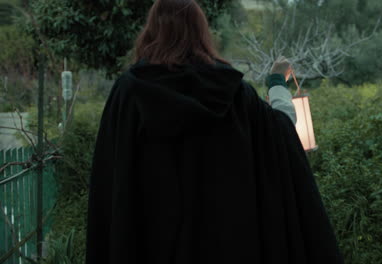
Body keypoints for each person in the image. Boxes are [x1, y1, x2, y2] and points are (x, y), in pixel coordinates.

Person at [85, 0, 343, 263]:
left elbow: (110, 181)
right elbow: (282, 134)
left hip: (151, 247)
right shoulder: (235, 93)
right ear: (201, 33)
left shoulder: (129, 93)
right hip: (226, 245)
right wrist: (277, 83)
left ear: (152, 31)